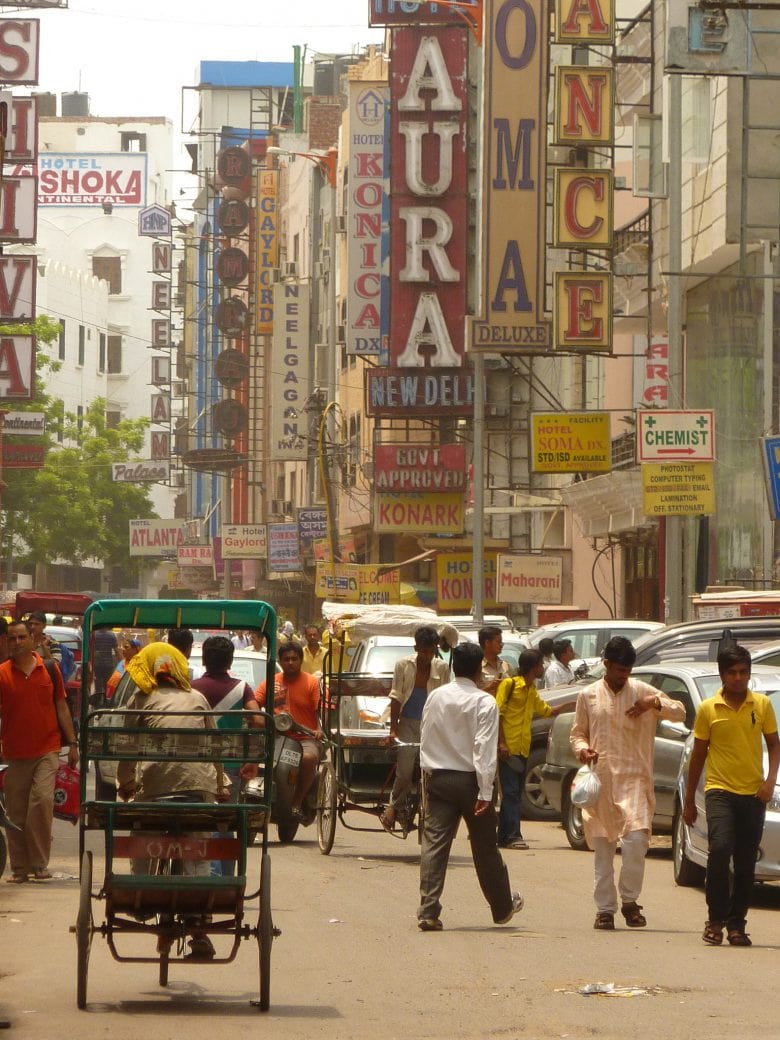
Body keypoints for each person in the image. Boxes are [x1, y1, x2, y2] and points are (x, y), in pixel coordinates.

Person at [116, 642, 234, 960]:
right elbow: (216, 748)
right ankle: (199, 928)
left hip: (154, 792)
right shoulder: (197, 699)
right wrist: (221, 785)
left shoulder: (140, 698)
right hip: (198, 792)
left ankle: (141, 903)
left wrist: (126, 784)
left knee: (143, 836)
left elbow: (125, 749)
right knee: (198, 856)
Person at [570, 635, 685, 930]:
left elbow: (680, 711)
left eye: (628, 670)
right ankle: (605, 909)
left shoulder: (643, 691)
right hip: (602, 782)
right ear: (606, 664)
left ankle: (630, 901)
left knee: (635, 841)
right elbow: (577, 733)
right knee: (603, 848)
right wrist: (582, 749)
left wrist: (654, 702)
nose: (624, 675)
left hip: (635, 779)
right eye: (619, 669)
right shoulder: (588, 695)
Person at [417, 641, 523, 931]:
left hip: (438, 777)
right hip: (471, 781)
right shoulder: (483, 702)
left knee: (435, 845)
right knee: (485, 847)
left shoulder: (435, 697)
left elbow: (425, 736)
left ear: (453, 667)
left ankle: (428, 910)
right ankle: (501, 908)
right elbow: (484, 749)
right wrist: (486, 792)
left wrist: (427, 773)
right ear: (479, 670)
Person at [683, 644, 780, 947]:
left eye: (743, 672)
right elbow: (697, 757)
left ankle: (737, 925)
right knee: (721, 848)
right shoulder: (708, 709)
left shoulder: (761, 705)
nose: (738, 678)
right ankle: (715, 920)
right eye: (732, 673)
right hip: (719, 791)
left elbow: (775, 746)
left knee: (746, 862)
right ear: (722, 675)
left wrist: (768, 782)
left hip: (753, 794)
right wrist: (688, 802)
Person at [0, 619, 78, 883]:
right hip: (13, 753)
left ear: (32, 639)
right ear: (7, 642)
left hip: (47, 748)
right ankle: (20, 868)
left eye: (22, 637)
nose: (17, 642)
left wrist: (73, 743)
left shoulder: (50, 669)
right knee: (15, 811)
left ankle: (40, 864)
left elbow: (62, 707)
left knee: (41, 803)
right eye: (13, 639)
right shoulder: (2, 674)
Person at [381, 625, 450, 831]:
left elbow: (445, 699)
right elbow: (396, 697)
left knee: (433, 770)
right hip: (407, 723)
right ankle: (394, 806)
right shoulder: (403, 665)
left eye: (431, 651)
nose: (428, 656)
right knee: (405, 769)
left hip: (431, 724)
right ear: (416, 648)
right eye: (424, 651)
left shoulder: (442, 668)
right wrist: (393, 729)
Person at [495, 648, 561, 850]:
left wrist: (573, 705)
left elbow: (545, 710)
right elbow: (496, 714)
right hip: (509, 748)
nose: (543, 668)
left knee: (512, 792)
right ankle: (513, 835)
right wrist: (502, 743)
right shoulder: (510, 685)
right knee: (512, 792)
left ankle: (504, 835)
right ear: (533, 667)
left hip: (522, 748)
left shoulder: (531, 690)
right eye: (540, 665)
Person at [255, 640, 323, 818]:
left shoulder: (312, 683)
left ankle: (297, 802)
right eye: (286, 659)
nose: (290, 662)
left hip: (305, 738)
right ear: (280, 661)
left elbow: (323, 711)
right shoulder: (271, 682)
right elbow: (255, 701)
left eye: (294, 659)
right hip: (275, 736)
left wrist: (318, 729)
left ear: (301, 660)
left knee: (308, 758)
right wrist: (256, 717)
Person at [477, 625, 512, 694]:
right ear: (487, 643)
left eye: (501, 642)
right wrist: (489, 688)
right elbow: (470, 695)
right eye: (498, 642)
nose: (501, 645)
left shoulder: (506, 665)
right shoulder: (476, 667)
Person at [91, 626, 120, 705]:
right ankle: (107, 701)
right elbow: (116, 650)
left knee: (98, 683)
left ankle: (98, 701)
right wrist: (121, 661)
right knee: (108, 683)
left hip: (97, 664)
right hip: (108, 664)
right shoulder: (111, 635)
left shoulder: (94, 635)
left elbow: (91, 649)